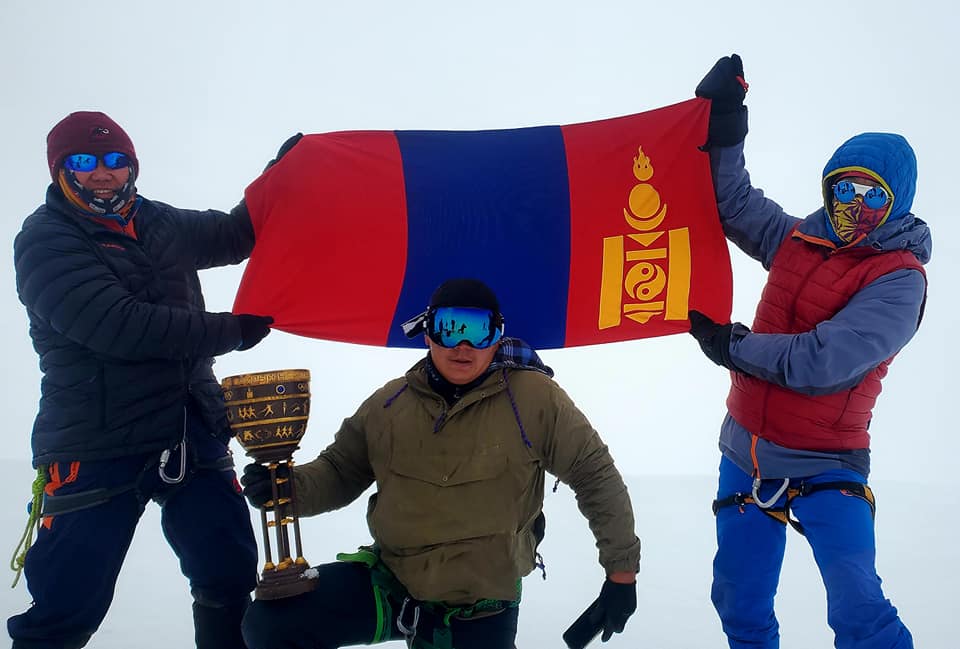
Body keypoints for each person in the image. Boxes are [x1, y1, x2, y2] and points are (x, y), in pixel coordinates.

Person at [9, 111, 292, 649]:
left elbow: (238, 234)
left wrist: (282, 176)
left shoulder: (158, 220)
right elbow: (119, 326)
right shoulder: (45, 239)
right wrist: (232, 330)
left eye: (116, 161)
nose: (103, 173)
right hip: (95, 441)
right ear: (59, 170)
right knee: (66, 608)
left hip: (192, 429)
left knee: (230, 575)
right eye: (85, 162)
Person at [239, 278, 642, 649]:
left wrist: (621, 574)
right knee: (272, 623)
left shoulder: (535, 399)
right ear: (427, 332)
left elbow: (595, 475)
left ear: (497, 334)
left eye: (477, 329)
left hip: (481, 602)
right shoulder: (389, 404)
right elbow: (339, 472)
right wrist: (285, 488)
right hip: (395, 581)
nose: (461, 345)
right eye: (449, 327)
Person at [688, 55, 930, 649]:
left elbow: (825, 359)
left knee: (858, 611)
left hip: (828, 461)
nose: (855, 203)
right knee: (738, 600)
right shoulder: (798, 239)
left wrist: (734, 346)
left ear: (896, 202)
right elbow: (735, 205)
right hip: (745, 450)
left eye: (872, 193)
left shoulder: (900, 281)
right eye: (844, 186)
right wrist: (725, 125)